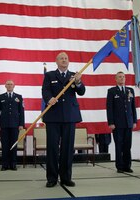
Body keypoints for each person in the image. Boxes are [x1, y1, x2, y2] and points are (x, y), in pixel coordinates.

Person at [42, 52, 86, 187]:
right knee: (52, 148)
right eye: (61, 58)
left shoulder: (74, 76)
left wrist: (78, 82)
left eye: (66, 58)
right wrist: (49, 99)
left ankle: (66, 177)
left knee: (67, 149)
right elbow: (45, 90)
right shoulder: (49, 75)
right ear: (56, 61)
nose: (64, 60)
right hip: (53, 116)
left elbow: (82, 91)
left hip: (69, 116)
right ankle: (52, 178)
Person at [106, 71, 137, 173]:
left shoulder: (130, 90)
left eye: (123, 77)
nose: (122, 78)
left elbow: (133, 107)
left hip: (128, 122)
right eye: (119, 77)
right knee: (119, 145)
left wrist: (134, 121)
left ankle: (127, 166)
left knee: (128, 145)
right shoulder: (112, 91)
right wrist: (111, 122)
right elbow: (109, 108)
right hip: (117, 124)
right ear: (115, 79)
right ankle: (119, 166)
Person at [0, 80, 25, 171]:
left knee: (13, 145)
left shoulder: (19, 97)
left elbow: (21, 112)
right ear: (5, 86)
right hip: (3, 125)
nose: (9, 85)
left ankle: (13, 164)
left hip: (15, 125)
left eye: (11, 84)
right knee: (5, 145)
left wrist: (21, 124)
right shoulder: (0, 97)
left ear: (14, 86)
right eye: (8, 84)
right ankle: (5, 164)